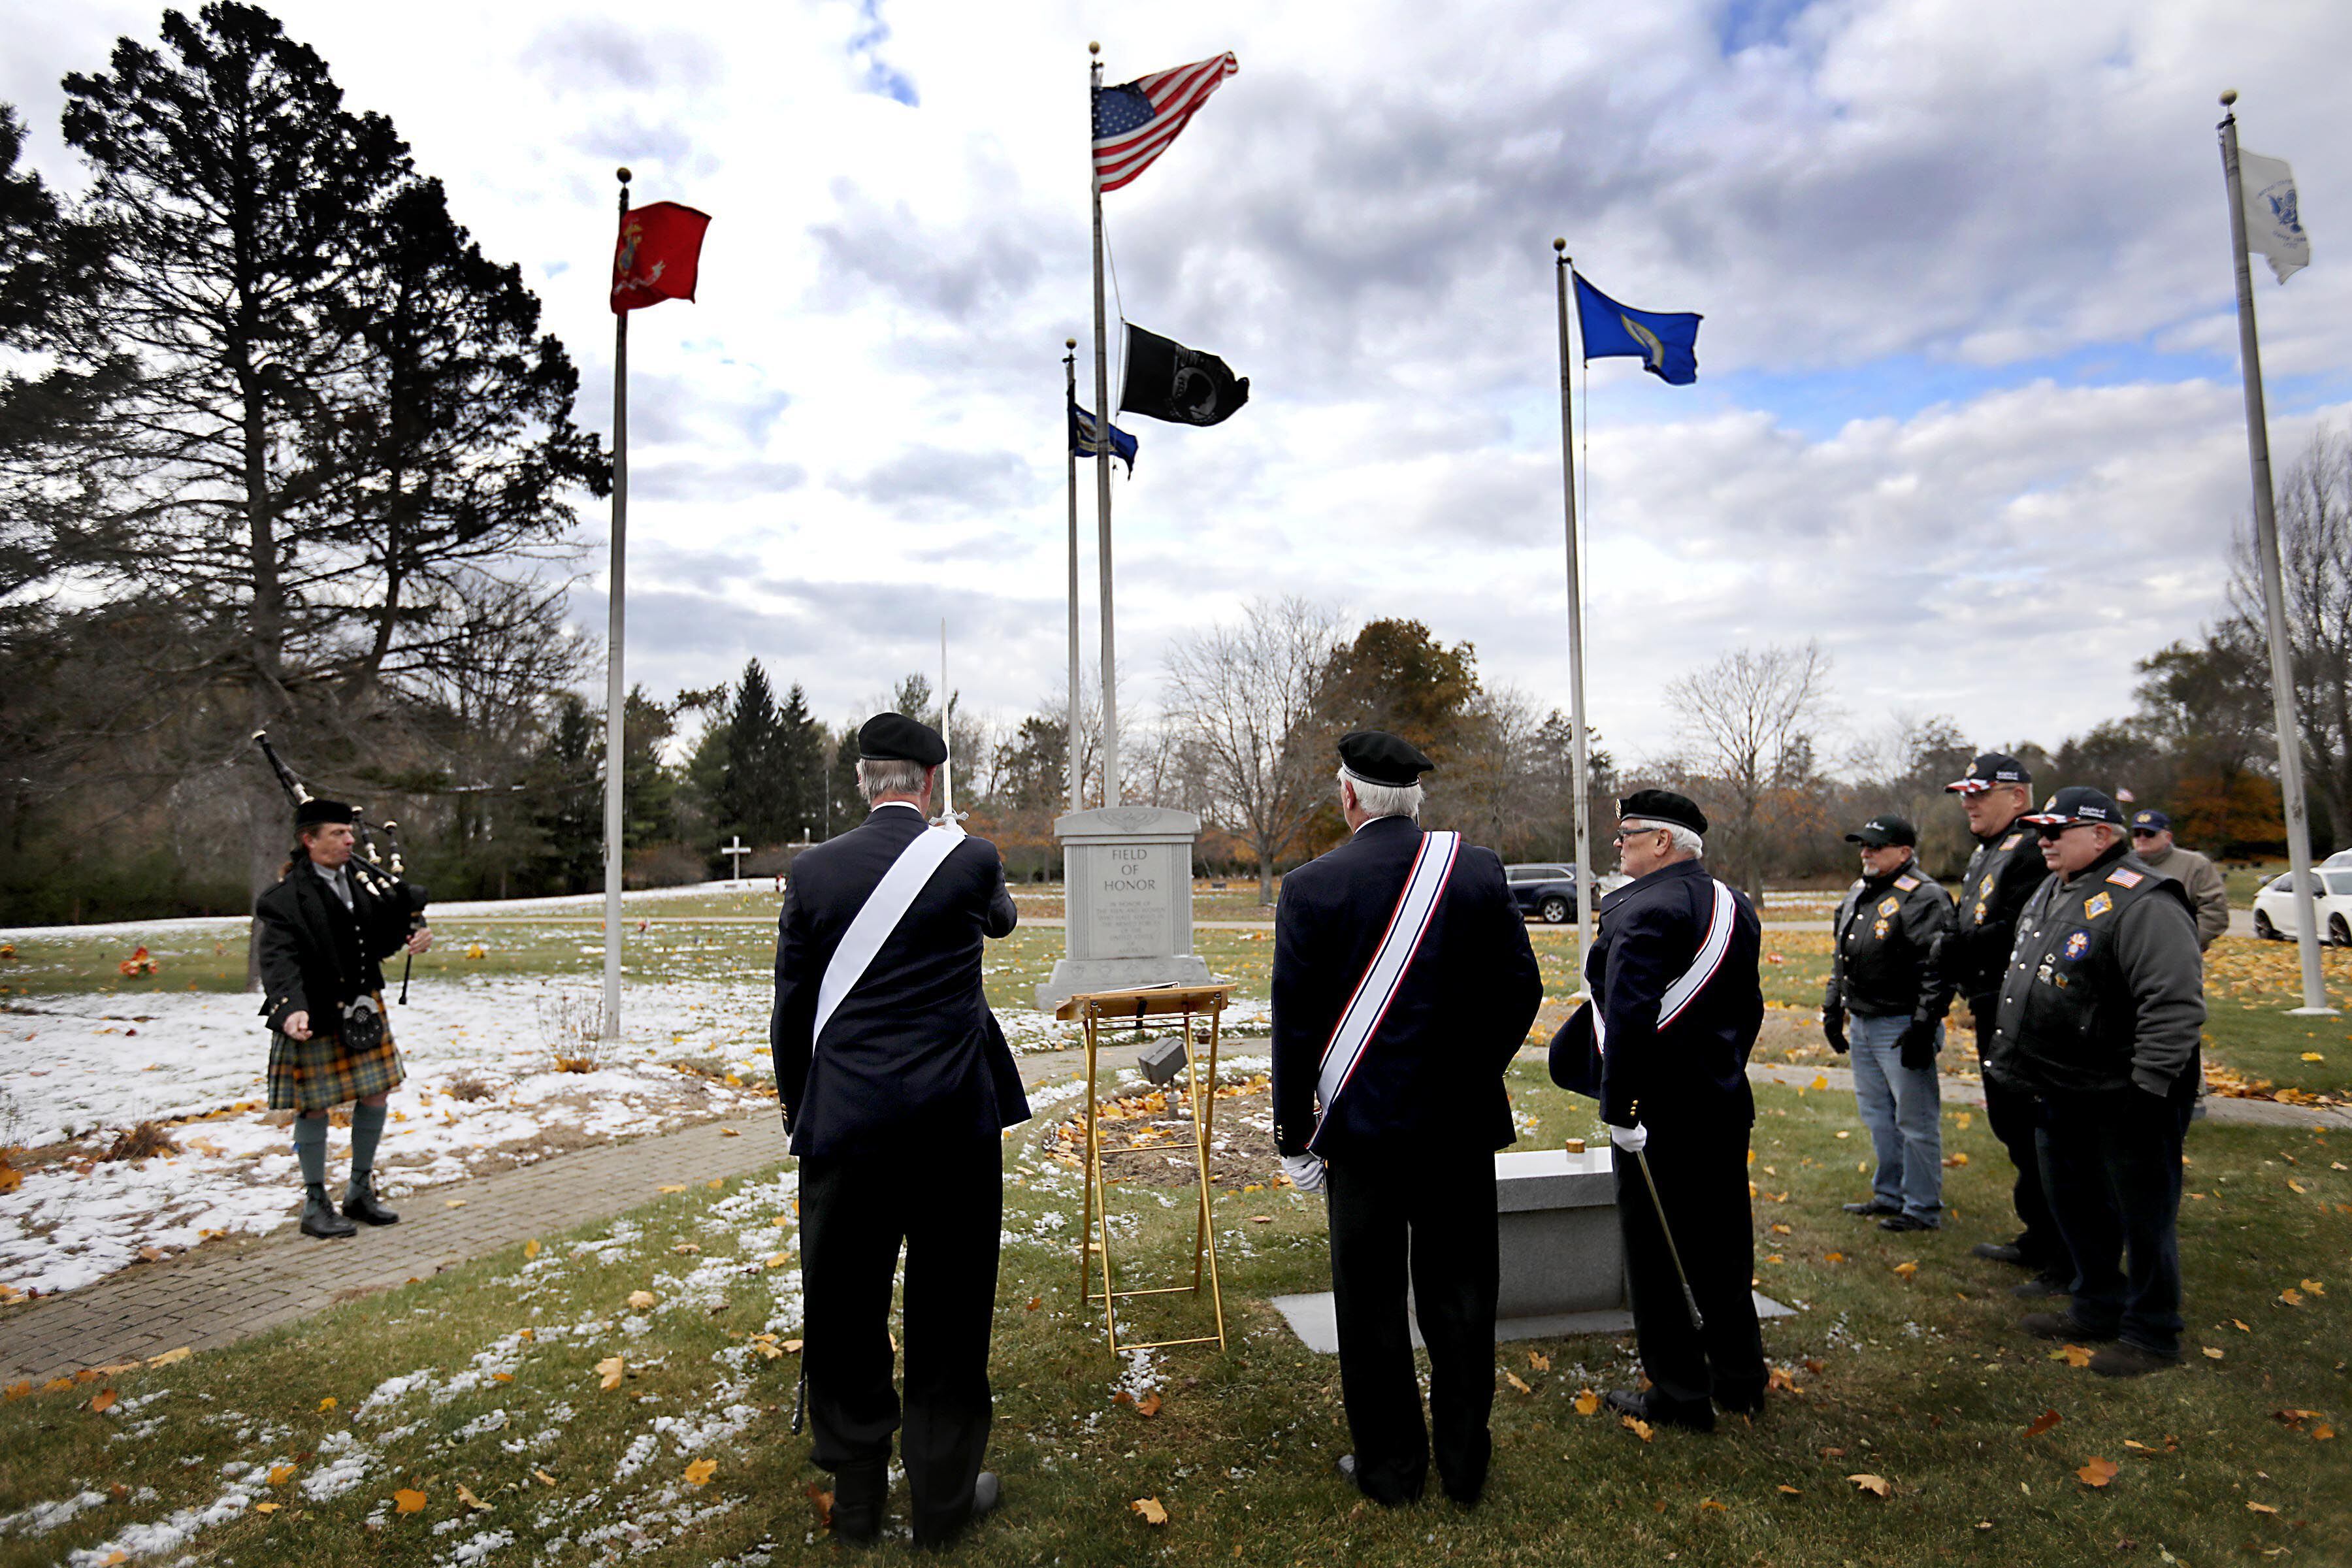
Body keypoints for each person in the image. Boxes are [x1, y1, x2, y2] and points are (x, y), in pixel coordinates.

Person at [769, 713, 1028, 1544]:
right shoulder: (970, 858)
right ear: (927, 784)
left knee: (843, 1310)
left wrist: (799, 1105)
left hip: (845, 1124)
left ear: (863, 783)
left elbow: (791, 1013)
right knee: (950, 1314)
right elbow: (1004, 921)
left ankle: (855, 1506)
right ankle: (943, 1507)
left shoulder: (812, 872)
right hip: (953, 1122)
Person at [1271, 730, 1542, 1509]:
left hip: (1363, 1135)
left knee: (1370, 1303)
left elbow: (1294, 1025)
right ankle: (1465, 1467)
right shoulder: (1478, 869)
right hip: (1458, 1127)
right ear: (1413, 800)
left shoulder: (1312, 885)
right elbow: (1520, 990)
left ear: (1349, 797)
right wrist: (1467, 1071)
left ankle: (1391, 1469)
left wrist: (1294, 1132)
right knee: (1462, 1298)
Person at [1549, 789, 1767, 1433]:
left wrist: (1621, 1106)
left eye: (1628, 835)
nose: (1618, 845)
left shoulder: (1645, 910)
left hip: (1657, 1117)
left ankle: (1680, 1394)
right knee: (1724, 1246)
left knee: (1658, 1255)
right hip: (1722, 1100)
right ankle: (1740, 1379)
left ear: (1664, 842)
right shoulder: (1734, 904)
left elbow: (1631, 1021)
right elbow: (1747, 1011)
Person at [1991, 787, 2205, 1377]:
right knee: (2077, 1205)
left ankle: (2153, 1332)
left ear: (2102, 835)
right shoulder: (2052, 888)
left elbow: (2174, 1003)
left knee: (2144, 1216)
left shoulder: (2146, 902)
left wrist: (2149, 1085)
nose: (2044, 839)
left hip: (2126, 1091)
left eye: (2057, 831)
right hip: (2061, 1086)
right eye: (2040, 829)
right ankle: (2095, 1305)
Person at [255, 797, 433, 1240]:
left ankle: (359, 1191)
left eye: (350, 832)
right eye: (338, 833)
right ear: (309, 840)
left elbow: (378, 939)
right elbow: (278, 959)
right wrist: (289, 1007)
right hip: (315, 1010)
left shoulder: (358, 882)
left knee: (375, 1093)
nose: (350, 839)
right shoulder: (283, 899)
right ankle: (315, 1204)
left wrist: (415, 934)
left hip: (363, 1006)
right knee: (314, 1105)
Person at [1942, 751, 2070, 1296]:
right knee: (2013, 1130)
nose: (1969, 802)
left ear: (2018, 796)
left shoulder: (2029, 848)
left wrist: (1954, 946)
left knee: (2038, 1133)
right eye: (1965, 793)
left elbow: (2022, 929)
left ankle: (2066, 1254)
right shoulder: (1989, 850)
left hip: (2021, 1008)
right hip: (1991, 1003)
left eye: (1981, 792)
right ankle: (2040, 1235)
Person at [1823, 814, 1956, 1232]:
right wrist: (1833, 1008)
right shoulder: (1860, 891)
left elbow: (1938, 967)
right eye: (1863, 845)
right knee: (1878, 1114)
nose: (1866, 853)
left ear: (1904, 851)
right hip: (1864, 1019)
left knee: (1915, 1121)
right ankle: (1890, 1194)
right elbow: (1841, 958)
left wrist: (1923, 1024)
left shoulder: (1923, 896)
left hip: (1901, 1022)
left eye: (1876, 846)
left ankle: (1921, 1207)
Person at [2127, 810, 2230, 950]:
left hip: (2177, 957)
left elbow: (2215, 913)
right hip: (2127, 957)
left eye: (2149, 833)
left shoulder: (2195, 864)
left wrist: (2181, 945)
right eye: (2136, 833)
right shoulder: (2121, 865)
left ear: (2168, 837)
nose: (2142, 838)